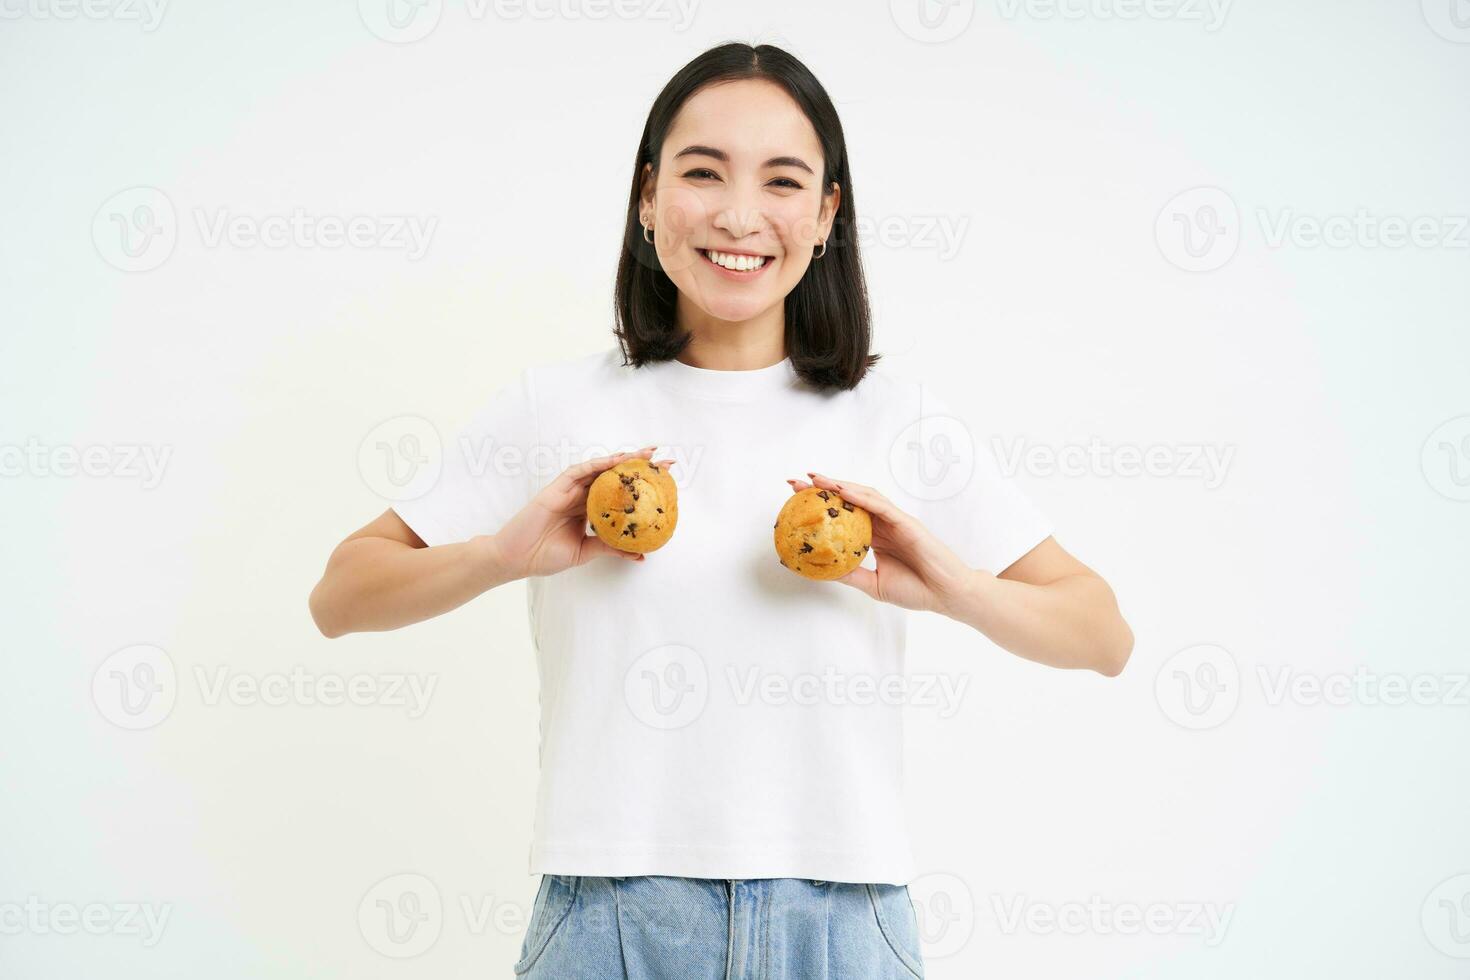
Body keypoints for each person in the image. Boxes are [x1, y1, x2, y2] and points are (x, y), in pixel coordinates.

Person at [309, 41, 1133, 980]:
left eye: (784, 182)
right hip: (606, 919)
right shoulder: (558, 408)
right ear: (648, 197)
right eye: (704, 173)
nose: (740, 216)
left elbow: (1102, 634)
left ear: (826, 214)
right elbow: (340, 596)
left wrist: (946, 584)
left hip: (842, 920)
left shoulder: (893, 417)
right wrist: (501, 556)